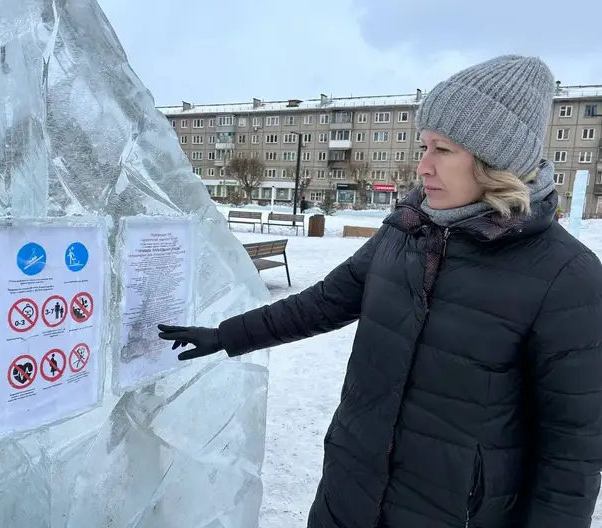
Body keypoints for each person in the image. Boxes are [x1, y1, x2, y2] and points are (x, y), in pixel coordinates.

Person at [158, 55, 602, 528]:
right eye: (424, 146)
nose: (423, 167)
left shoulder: (567, 277)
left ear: (496, 161)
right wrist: (227, 335)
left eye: (443, 150)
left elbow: (572, 452)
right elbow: (325, 301)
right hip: (349, 494)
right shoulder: (406, 231)